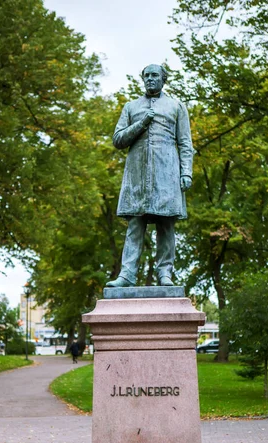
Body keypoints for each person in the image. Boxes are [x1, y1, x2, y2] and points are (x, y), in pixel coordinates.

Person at [106, 64, 194, 288]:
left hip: (167, 174)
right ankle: (127, 274)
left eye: (155, 75)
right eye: (147, 76)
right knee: (135, 224)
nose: (150, 79)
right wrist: (141, 123)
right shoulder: (131, 107)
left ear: (163, 79)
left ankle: (165, 272)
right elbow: (118, 140)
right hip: (137, 175)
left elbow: (185, 143)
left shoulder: (176, 106)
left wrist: (186, 173)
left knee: (166, 225)